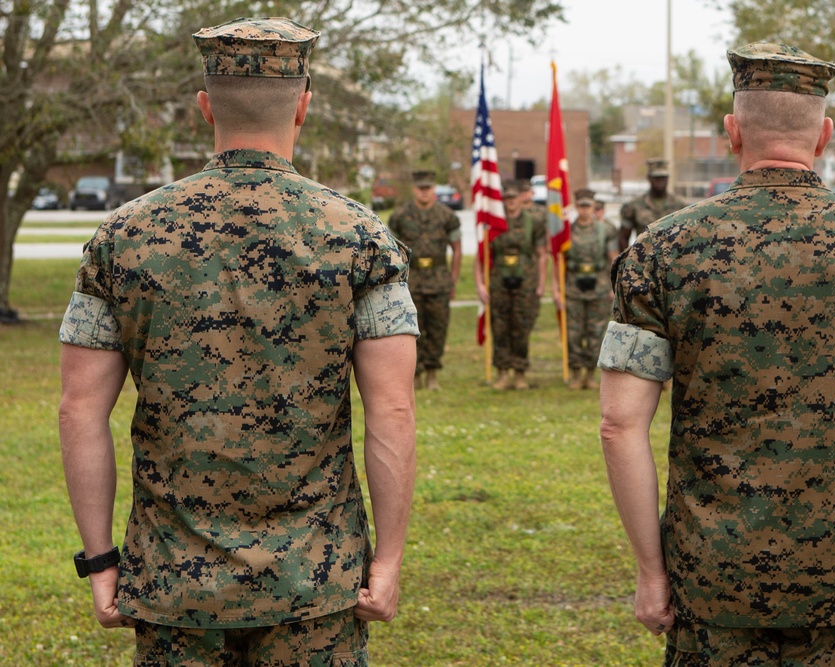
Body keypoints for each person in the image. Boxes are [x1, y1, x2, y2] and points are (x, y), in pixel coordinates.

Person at [58, 17, 418, 665]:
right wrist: (387, 560)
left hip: (172, 584)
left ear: (205, 108)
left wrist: (101, 560)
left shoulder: (122, 236)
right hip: (314, 580)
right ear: (304, 107)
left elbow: (79, 407)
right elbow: (392, 409)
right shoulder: (360, 237)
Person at [598, 42, 835, 665]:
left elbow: (619, 423)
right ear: (823, 135)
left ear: (732, 132)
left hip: (710, 581)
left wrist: (652, 574)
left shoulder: (664, 248)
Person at [388, 169, 461, 391]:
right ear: (414, 189)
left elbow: (457, 249)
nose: (424, 193)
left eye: (428, 188)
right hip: (411, 280)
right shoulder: (400, 216)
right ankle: (415, 375)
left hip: (439, 278)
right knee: (412, 330)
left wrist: (453, 279)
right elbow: (391, 249)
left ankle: (432, 374)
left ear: (434, 189)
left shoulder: (447, 216)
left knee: (438, 327)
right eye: (421, 189)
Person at [475, 179, 548, 390]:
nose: (511, 203)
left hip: (526, 281)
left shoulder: (532, 221)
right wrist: (480, 283)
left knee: (521, 326)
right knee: (500, 326)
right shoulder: (494, 223)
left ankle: (520, 372)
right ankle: (502, 372)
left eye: (514, 198)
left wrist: (541, 284)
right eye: (507, 198)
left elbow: (542, 254)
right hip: (498, 281)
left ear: (520, 199)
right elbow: (482, 255)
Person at [564, 188, 617, 390]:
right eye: (581, 206)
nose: (584, 210)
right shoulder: (567, 231)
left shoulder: (605, 230)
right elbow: (561, 260)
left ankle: (590, 373)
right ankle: (576, 372)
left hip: (599, 285)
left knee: (596, 332)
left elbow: (613, 258)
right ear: (576, 207)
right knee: (575, 333)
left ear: (594, 207)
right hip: (574, 285)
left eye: (588, 206)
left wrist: (614, 286)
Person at [617, 157, 686, 249]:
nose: (660, 181)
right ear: (649, 178)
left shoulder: (680, 206)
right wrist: (628, 260)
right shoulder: (634, 206)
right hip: (644, 259)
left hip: (672, 259)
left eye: (663, 177)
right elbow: (623, 238)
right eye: (656, 178)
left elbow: (687, 236)